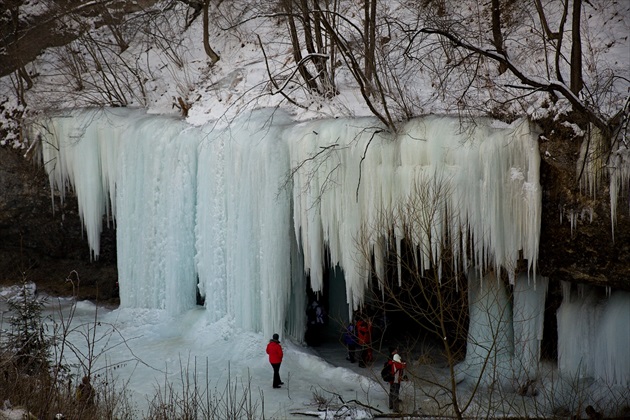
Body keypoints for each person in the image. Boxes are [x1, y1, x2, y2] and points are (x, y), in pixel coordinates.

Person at [387, 347, 406, 412]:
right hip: (395, 380)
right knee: (395, 393)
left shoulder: (391, 362)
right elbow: (403, 365)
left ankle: (390, 405)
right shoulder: (397, 364)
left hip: (391, 379)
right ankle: (395, 409)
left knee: (392, 392)